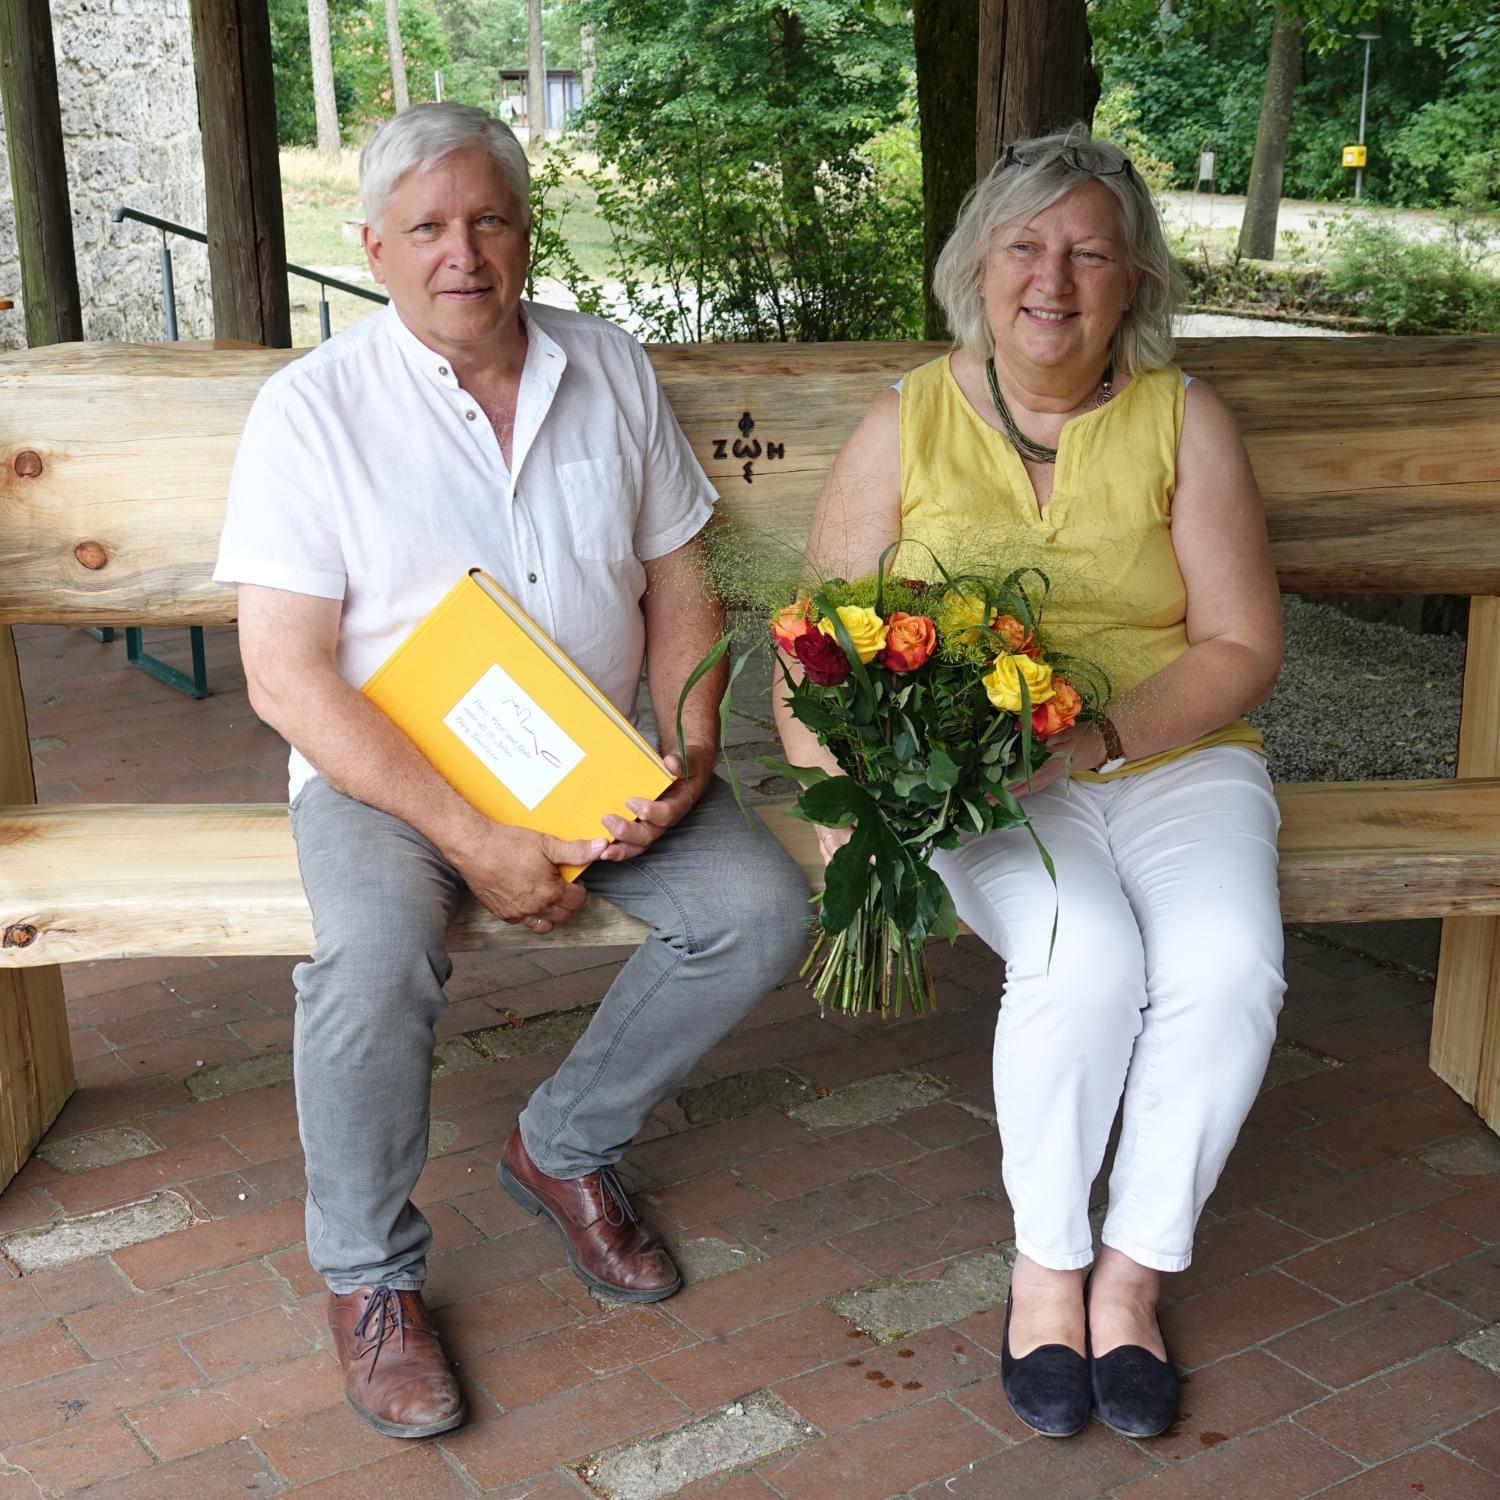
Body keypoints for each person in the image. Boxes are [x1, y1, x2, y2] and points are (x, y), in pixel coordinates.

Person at [215, 102, 807, 1439]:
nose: (462, 254)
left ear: (526, 232)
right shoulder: (311, 412)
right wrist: (468, 836)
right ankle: (368, 1281)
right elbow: (287, 677)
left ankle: (565, 1144)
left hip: (593, 759)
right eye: (427, 227)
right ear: (375, 248)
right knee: (372, 967)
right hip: (391, 778)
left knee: (759, 912)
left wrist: (694, 742)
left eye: (489, 220)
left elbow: (677, 582)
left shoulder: (608, 367)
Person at [774, 127, 1285, 1440]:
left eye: (1090, 254)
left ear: (1133, 285)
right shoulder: (910, 419)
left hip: (1168, 761)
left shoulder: (1184, 419)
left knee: (1227, 967)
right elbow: (812, 642)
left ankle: (1133, 1280)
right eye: (1026, 248)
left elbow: (1241, 645)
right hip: (977, 781)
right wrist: (850, 812)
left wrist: (1102, 737)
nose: (1052, 280)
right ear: (976, 268)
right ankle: (1047, 1272)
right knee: (1086, 956)